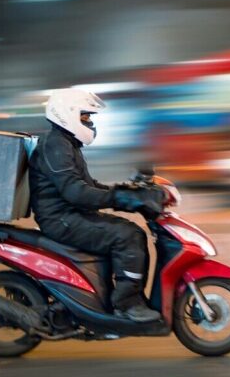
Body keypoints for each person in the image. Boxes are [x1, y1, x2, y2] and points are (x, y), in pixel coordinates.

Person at [28, 88, 165, 323]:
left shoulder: (65, 143)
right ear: (67, 113)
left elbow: (88, 186)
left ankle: (113, 297)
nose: (89, 122)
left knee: (128, 231)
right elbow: (76, 192)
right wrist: (120, 199)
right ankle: (126, 304)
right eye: (85, 116)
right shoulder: (56, 145)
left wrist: (126, 192)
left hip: (69, 215)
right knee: (128, 235)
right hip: (61, 219)